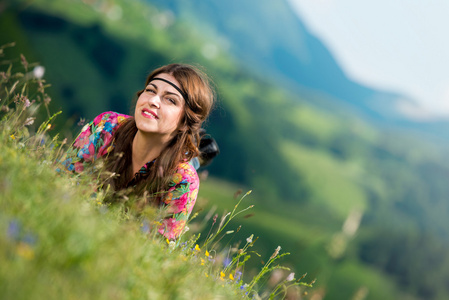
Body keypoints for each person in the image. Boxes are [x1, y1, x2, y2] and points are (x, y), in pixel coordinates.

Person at [61, 63, 215, 240]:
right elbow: (64, 178)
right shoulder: (106, 126)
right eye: (150, 90)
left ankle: (196, 153)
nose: (153, 101)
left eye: (170, 99)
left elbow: (159, 247)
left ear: (184, 122)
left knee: (188, 162)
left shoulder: (184, 181)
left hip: (175, 157)